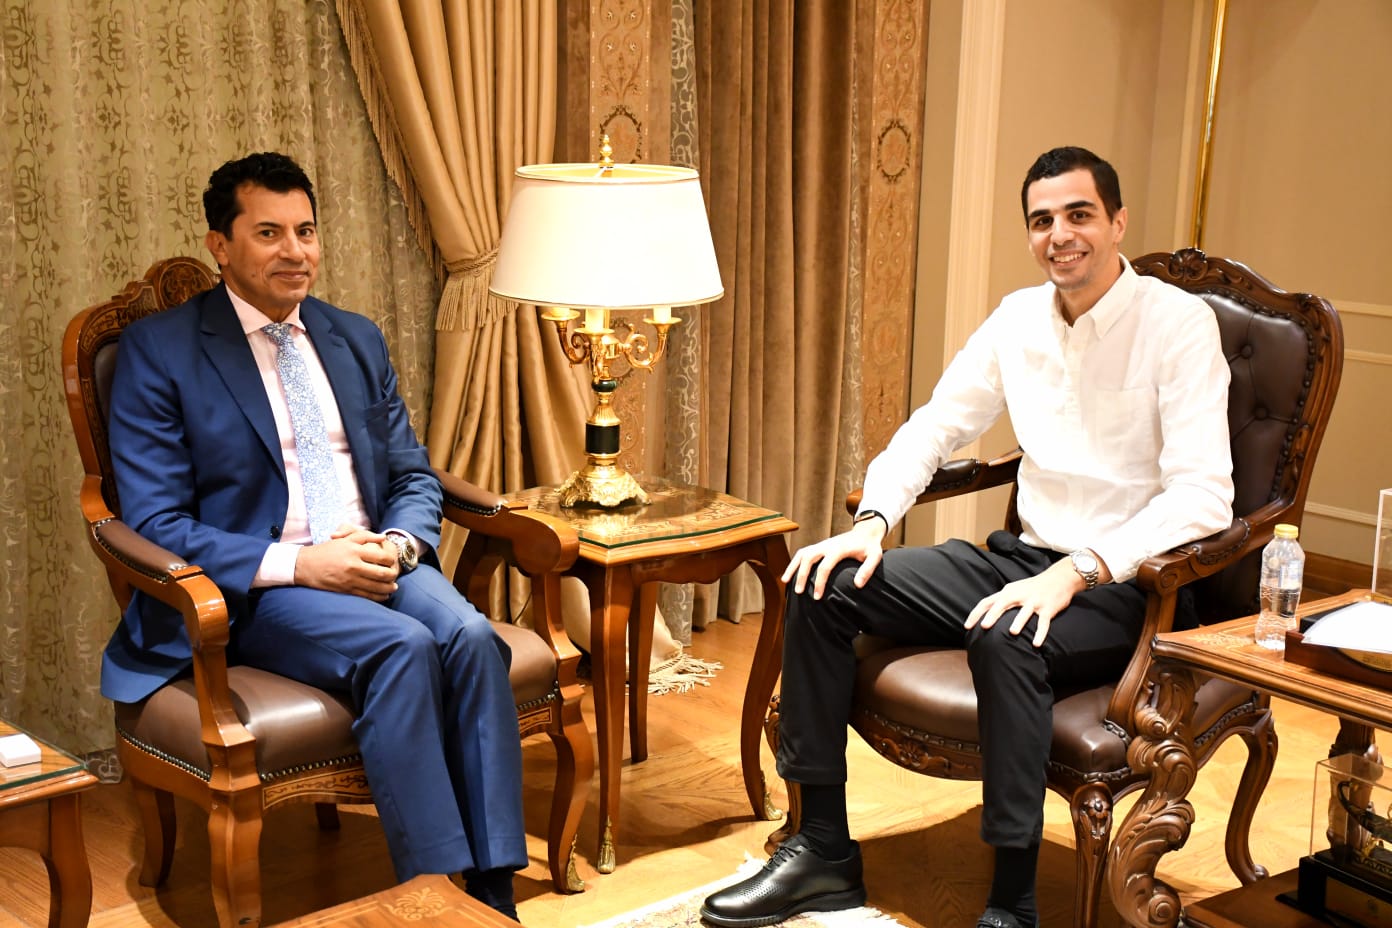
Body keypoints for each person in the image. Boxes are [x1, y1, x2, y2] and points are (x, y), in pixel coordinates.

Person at [699, 146, 1235, 928]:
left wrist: (1078, 572)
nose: (1060, 235)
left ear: (1118, 222)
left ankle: (1012, 905)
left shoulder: (1177, 325)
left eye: (1079, 214)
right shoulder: (1018, 318)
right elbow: (934, 428)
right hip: (1020, 559)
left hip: (1125, 585)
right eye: (1042, 221)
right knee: (821, 582)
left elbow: (1204, 496)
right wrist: (871, 525)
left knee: (1006, 634)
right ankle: (821, 849)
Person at [103, 152, 526, 920]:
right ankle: (432, 899)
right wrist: (304, 564)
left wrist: (397, 544)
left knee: (469, 635)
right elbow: (157, 523)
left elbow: (413, 474)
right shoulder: (161, 351)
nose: (294, 251)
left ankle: (494, 893)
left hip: (378, 555)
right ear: (220, 246)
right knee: (403, 648)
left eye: (305, 231)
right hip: (264, 587)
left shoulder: (352, 338)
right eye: (268, 233)